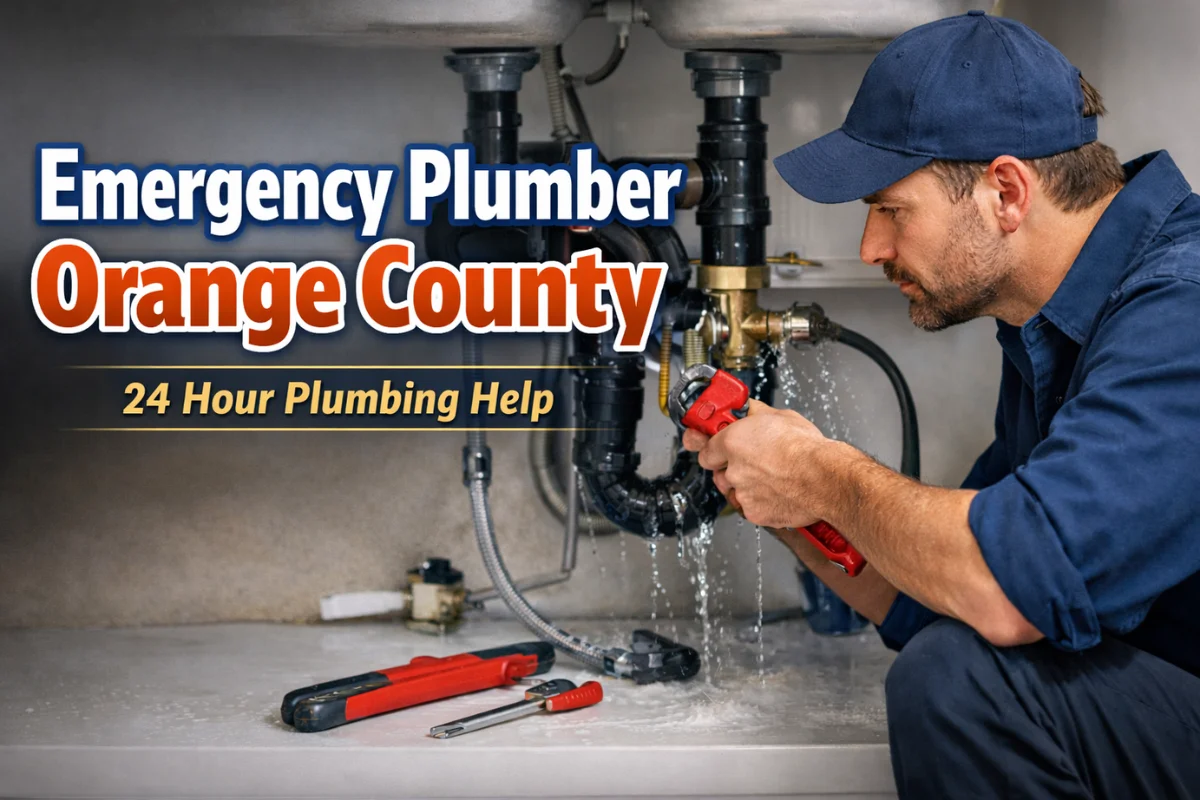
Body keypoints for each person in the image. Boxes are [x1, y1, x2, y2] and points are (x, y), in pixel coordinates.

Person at [682, 11, 1200, 799]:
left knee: (960, 685)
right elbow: (937, 590)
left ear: (1005, 190)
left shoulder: (1181, 311)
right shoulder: (1050, 327)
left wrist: (823, 474)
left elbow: (1003, 591)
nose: (871, 248)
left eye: (891, 209)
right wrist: (777, 492)